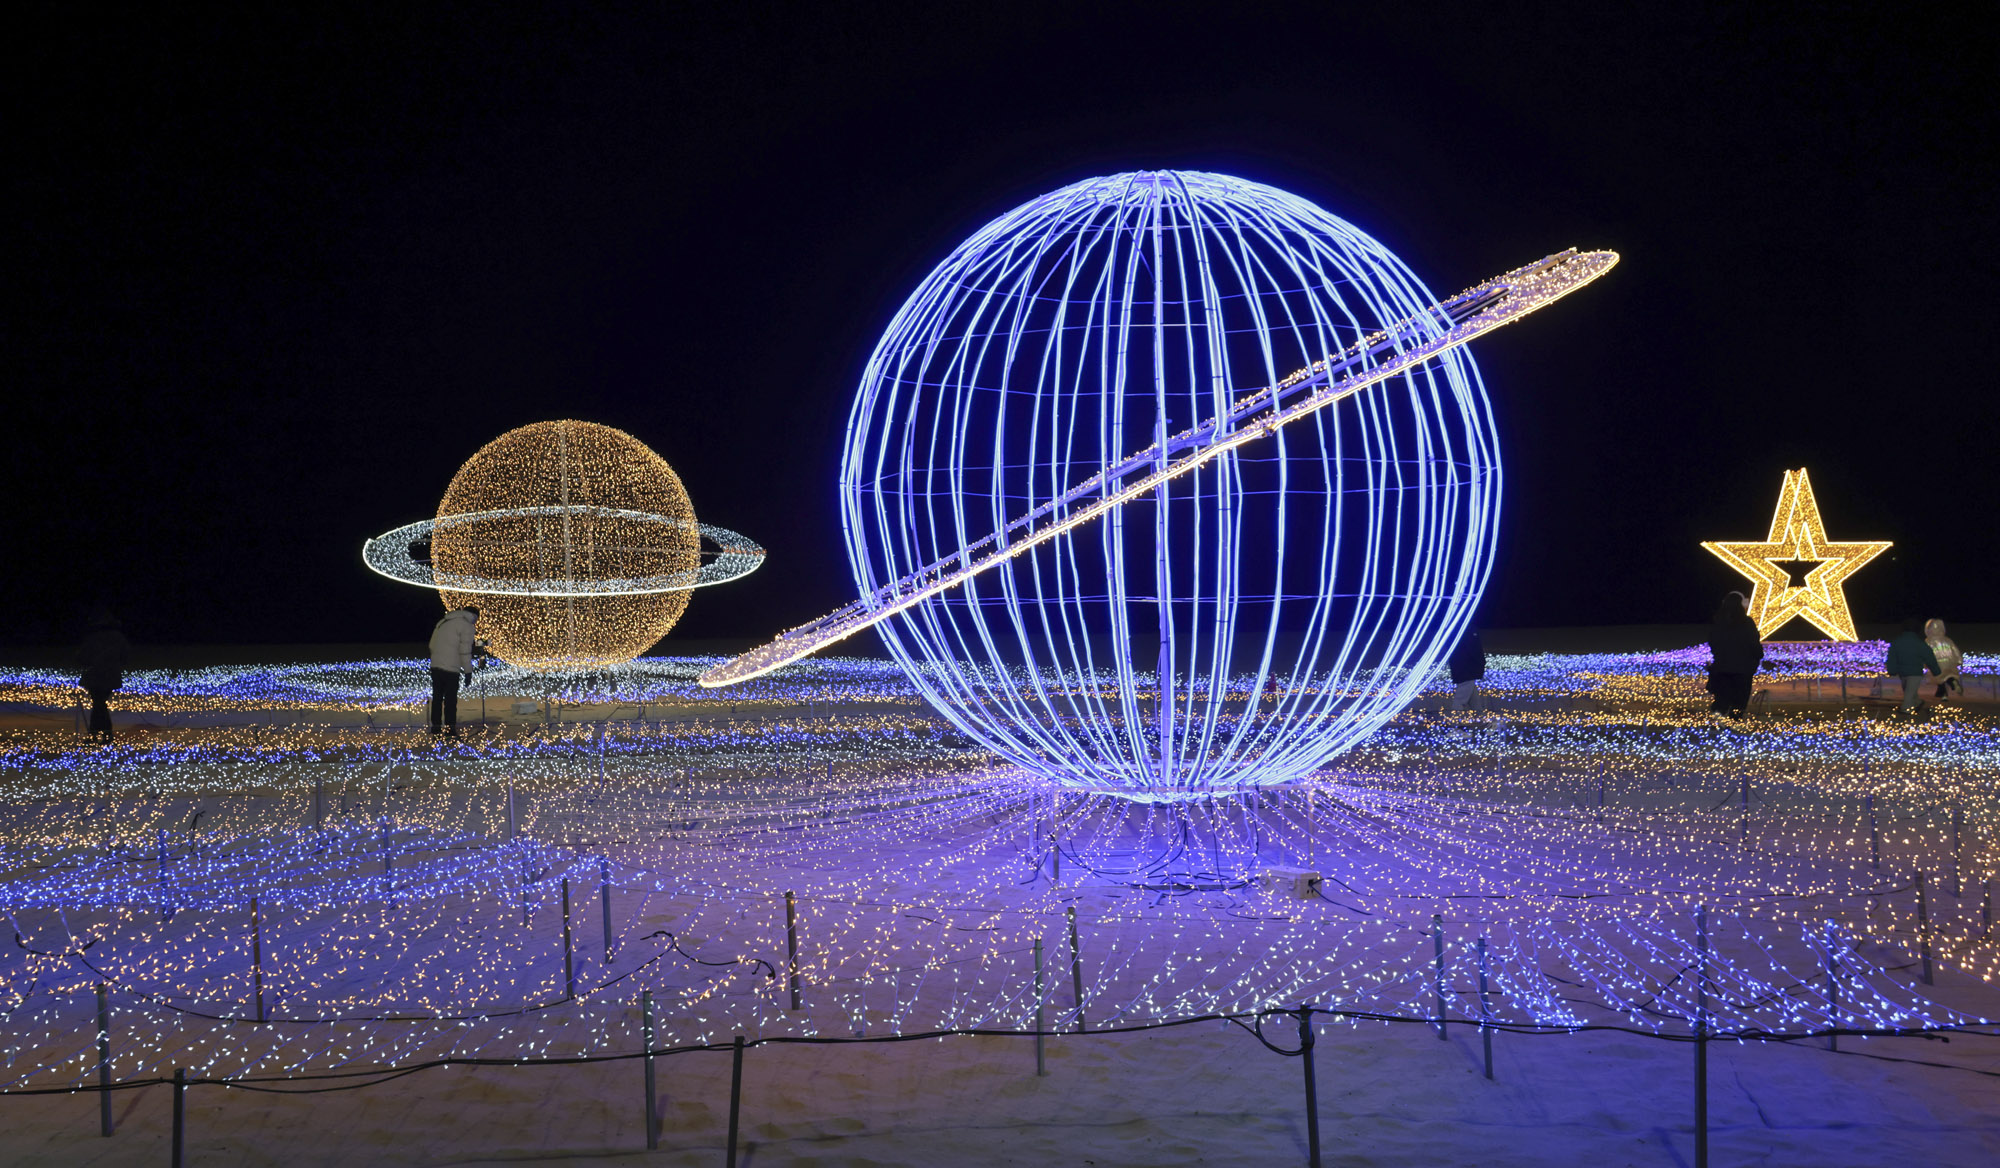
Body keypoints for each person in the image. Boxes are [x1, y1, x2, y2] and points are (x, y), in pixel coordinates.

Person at [76, 607, 132, 743]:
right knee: (99, 704)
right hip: (110, 676)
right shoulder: (118, 637)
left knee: (99, 704)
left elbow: (82, 656)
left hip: (96, 676)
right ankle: (102, 734)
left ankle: (99, 734)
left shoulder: (93, 637)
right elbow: (125, 657)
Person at [1706, 591, 1762, 718]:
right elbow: (1754, 644)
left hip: (1722, 668)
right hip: (1743, 670)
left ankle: (1717, 723)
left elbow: (1713, 643)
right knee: (1739, 701)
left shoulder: (1718, 623)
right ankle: (1733, 723)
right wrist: (1757, 656)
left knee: (1722, 699)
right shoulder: (1747, 623)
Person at [428, 606, 479, 736]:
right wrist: (468, 671)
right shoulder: (467, 626)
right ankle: (450, 728)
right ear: (473, 616)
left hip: (436, 666)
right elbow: (465, 651)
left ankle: (436, 727)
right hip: (451, 668)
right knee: (450, 700)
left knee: (437, 697)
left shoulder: (443, 621)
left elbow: (431, 645)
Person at [1884, 616, 1939, 716]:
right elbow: (1929, 657)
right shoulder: (1920, 644)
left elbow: (1892, 658)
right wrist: (1936, 671)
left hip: (1903, 672)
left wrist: (1891, 670)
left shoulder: (1897, 643)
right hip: (1915, 673)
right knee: (1909, 691)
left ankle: (1906, 709)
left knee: (1908, 692)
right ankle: (1917, 702)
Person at [1448, 625, 1485, 712]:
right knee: (1461, 699)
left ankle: (1481, 720)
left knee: (1474, 700)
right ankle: (1455, 722)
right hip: (1466, 668)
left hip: (1464, 667)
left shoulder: (1459, 628)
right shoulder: (1466, 629)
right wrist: (1480, 662)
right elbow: (1473, 648)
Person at [1925, 618, 1963, 701]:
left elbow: (1925, 653)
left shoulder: (1928, 641)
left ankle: (1944, 695)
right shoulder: (1947, 640)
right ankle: (1953, 682)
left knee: (1939, 679)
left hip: (1936, 662)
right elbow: (1955, 650)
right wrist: (1959, 660)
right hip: (1949, 662)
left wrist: (1924, 663)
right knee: (1948, 675)